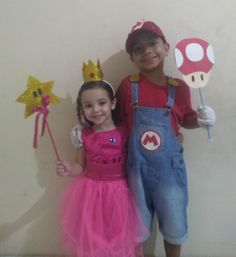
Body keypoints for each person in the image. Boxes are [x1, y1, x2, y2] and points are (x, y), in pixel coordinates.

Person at [115, 20, 216, 257]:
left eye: (153, 43)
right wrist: (88, 129)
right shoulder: (128, 86)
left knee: (174, 223)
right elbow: (116, 121)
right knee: (135, 228)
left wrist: (202, 120)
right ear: (132, 58)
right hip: (135, 170)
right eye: (137, 48)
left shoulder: (179, 87)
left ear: (166, 47)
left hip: (170, 171)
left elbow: (186, 120)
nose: (147, 51)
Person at [56, 59, 147, 257]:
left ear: (113, 103)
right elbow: (80, 166)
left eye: (102, 103)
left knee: (119, 236)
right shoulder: (83, 135)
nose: (96, 110)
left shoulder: (125, 130)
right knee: (94, 236)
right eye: (88, 105)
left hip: (120, 193)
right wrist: (68, 168)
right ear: (82, 109)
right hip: (91, 193)